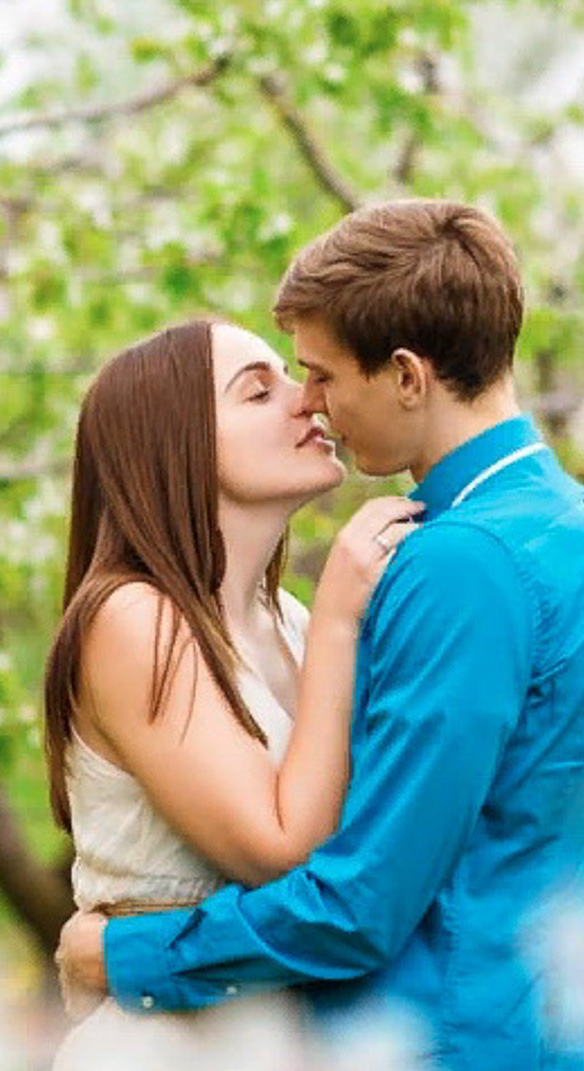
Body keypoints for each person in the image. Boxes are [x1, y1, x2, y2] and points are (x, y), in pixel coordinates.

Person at [55, 199, 584, 1070]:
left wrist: (123, 954)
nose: (312, 401)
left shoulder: (456, 562)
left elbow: (361, 899)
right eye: (275, 385)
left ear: (407, 375)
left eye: (318, 374)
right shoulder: (573, 524)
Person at [42, 316, 423, 1069]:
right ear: (176, 443)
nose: (308, 399)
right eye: (259, 391)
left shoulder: (287, 621)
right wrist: (344, 617)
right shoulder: (132, 618)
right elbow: (286, 852)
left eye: (294, 375)